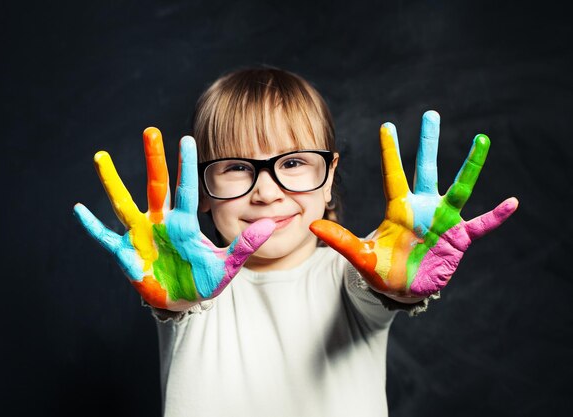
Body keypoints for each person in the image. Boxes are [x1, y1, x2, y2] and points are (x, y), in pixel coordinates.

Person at [74, 67, 518, 417]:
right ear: (201, 190)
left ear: (328, 179)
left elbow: (376, 289)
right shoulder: (189, 287)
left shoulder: (354, 275)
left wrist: (394, 285)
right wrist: (171, 302)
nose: (266, 192)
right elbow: (177, 302)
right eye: (235, 168)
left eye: (293, 163)